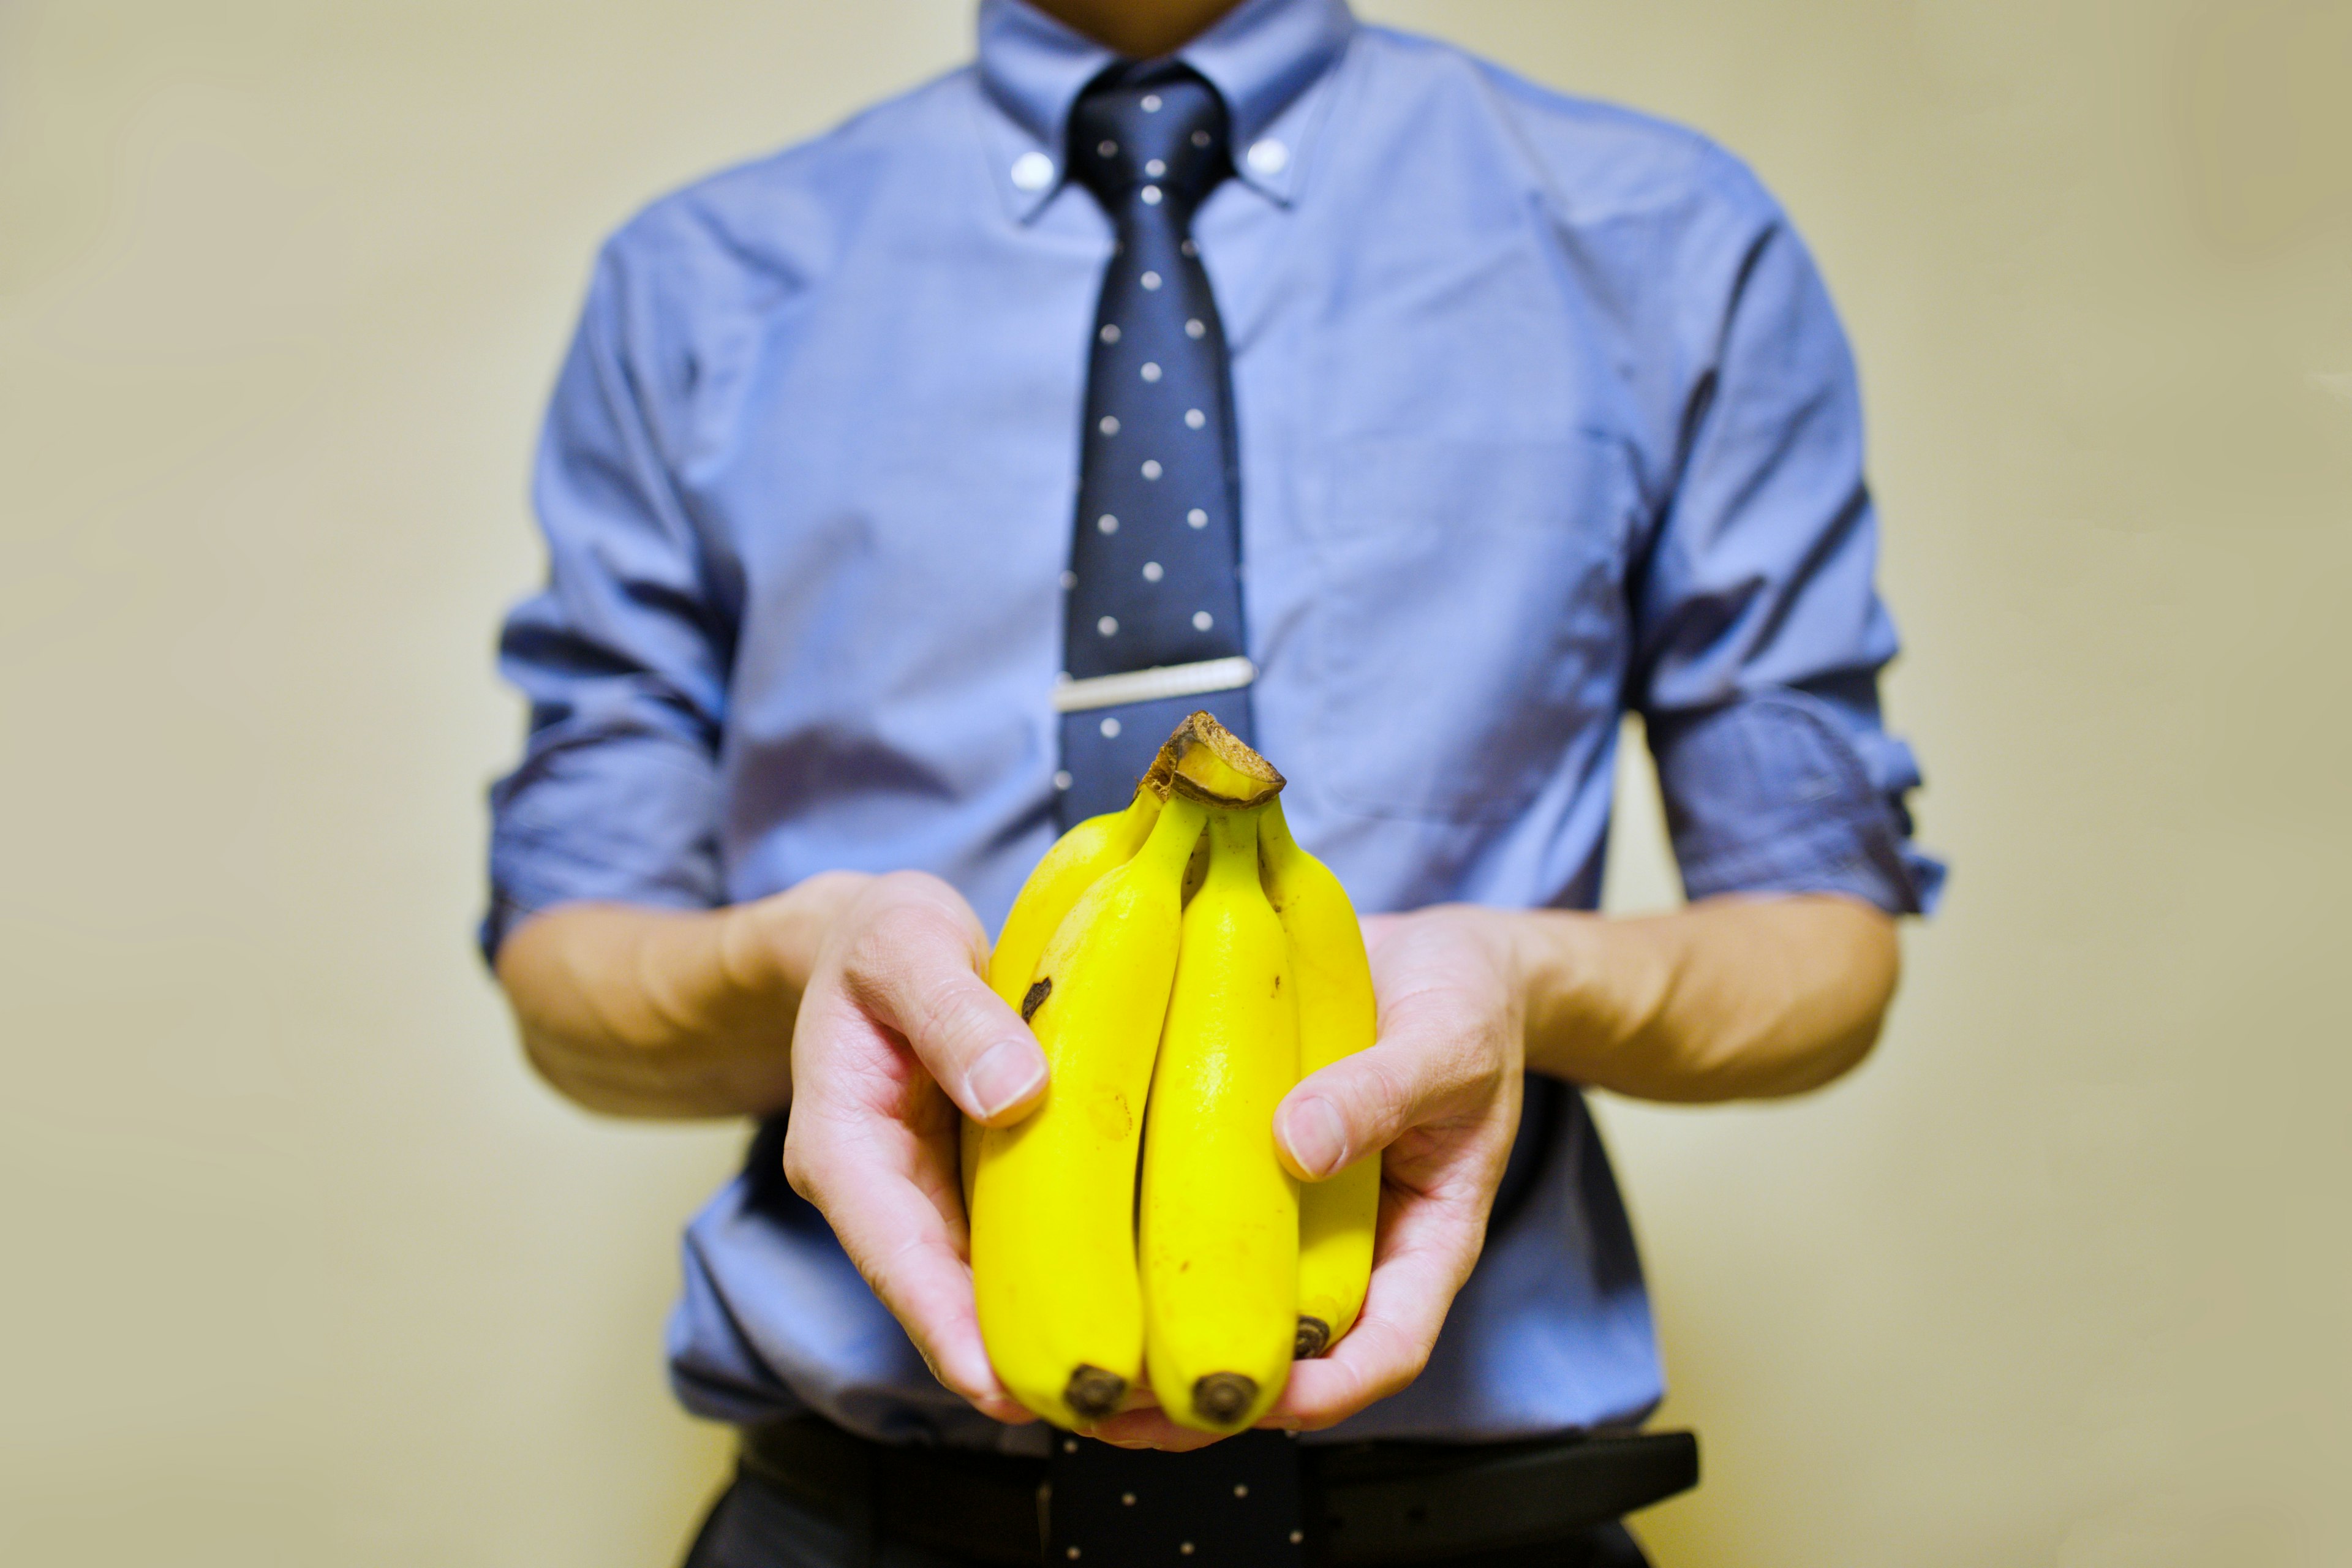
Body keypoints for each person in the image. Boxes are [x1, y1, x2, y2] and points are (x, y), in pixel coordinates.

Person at [483, 0, 1944, 1561]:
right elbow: (570, 966)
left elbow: (1824, 943)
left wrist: (1520, 975)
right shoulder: (698, 283)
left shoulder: (1667, 238)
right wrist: (789, 961)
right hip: (856, 1524)